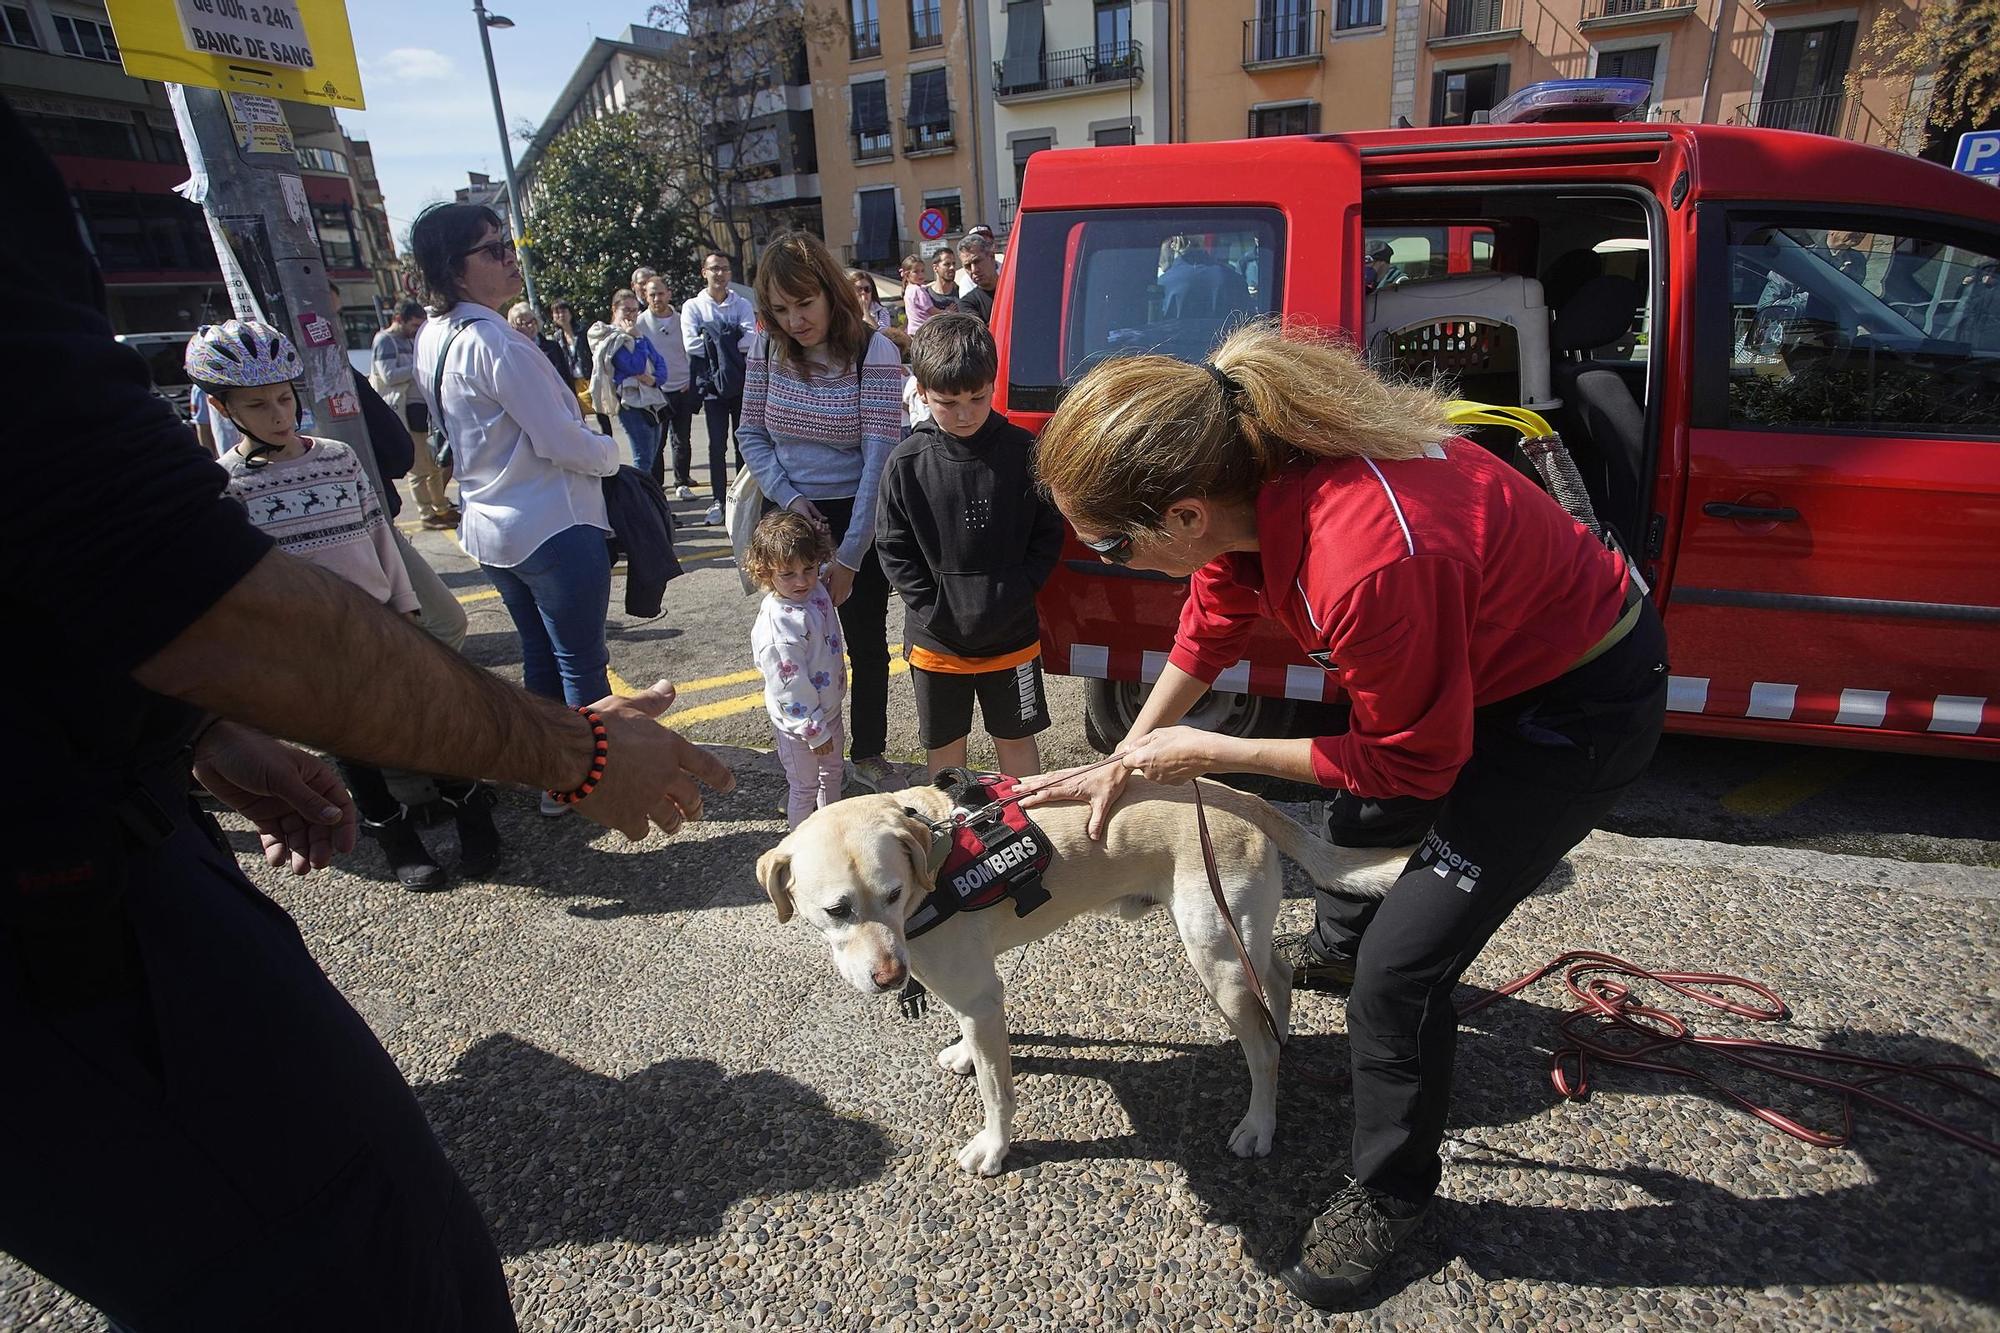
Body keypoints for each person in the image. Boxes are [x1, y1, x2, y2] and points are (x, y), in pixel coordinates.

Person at [0, 102, 732, 1329]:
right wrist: (574, 746)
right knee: (370, 1263)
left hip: (102, 809)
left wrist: (187, 731)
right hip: (58, 907)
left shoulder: (434, 355)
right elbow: (159, 570)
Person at [1021, 321, 1668, 1310]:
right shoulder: (1254, 477)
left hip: (1574, 709)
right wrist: (1126, 758)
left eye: (1109, 543)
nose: (1103, 559)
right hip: (1494, 668)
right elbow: (1214, 612)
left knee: (1399, 974)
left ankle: (1392, 1199)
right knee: (1358, 831)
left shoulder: (1366, 558)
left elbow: (1411, 762)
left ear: (1184, 511)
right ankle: (1346, 944)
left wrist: (1202, 754)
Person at [188, 319, 501, 891]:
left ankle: (472, 810)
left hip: (383, 624)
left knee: (429, 723)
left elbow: (380, 534)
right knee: (354, 745)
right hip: (308, 645)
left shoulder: (337, 456)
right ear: (222, 407)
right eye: (257, 406)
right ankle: (393, 835)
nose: (278, 416)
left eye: (284, 399)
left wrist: (406, 609)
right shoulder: (226, 484)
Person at [410, 203, 625, 818]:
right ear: (453, 269)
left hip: (492, 527)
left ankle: (553, 778)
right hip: (550, 526)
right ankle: (595, 783)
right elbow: (560, 442)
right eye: (491, 250)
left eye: (505, 245)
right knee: (582, 665)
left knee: (542, 655)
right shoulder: (495, 341)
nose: (509, 258)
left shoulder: (436, 335)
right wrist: (613, 454)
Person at [737, 230, 905, 794]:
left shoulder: (872, 351)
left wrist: (851, 556)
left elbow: (879, 458)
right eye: (780, 309)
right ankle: (804, 742)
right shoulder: (764, 347)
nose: (795, 320)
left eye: (805, 303)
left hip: (858, 503)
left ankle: (870, 747)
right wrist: (789, 498)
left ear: (833, 293)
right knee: (793, 641)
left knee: (863, 639)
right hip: (786, 512)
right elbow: (751, 434)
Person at [875, 314, 1062, 779]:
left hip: (1012, 637)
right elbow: (892, 547)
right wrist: (933, 607)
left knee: (1018, 744)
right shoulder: (907, 462)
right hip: (937, 642)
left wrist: (1019, 588)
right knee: (945, 755)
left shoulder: (1025, 451)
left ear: (991, 383)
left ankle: (1029, 834)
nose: (965, 413)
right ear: (920, 391)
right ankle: (952, 841)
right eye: (948, 402)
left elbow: (1049, 529)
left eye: (977, 398)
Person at [747, 509, 847, 827]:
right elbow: (788, 686)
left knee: (832, 775)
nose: (801, 581)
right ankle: (800, 847)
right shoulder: (780, 626)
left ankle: (830, 835)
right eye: (788, 574)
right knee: (805, 787)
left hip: (827, 709)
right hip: (801, 726)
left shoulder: (814, 590)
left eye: (809, 568)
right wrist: (813, 730)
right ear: (765, 572)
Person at [371, 299, 456, 529]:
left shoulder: (410, 339)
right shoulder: (385, 341)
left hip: (421, 412)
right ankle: (427, 514)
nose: (417, 330)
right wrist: (418, 366)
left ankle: (441, 507)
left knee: (434, 465)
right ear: (399, 319)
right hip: (404, 413)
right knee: (419, 468)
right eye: (414, 325)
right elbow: (388, 375)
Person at [683, 249, 756, 481]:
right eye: (715, 268)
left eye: (725, 268)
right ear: (704, 272)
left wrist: (713, 337)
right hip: (711, 386)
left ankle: (741, 496)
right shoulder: (693, 306)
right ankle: (718, 499)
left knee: (743, 442)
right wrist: (729, 337)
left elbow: (751, 340)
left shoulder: (742, 304)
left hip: (740, 382)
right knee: (716, 445)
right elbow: (691, 345)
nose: (720, 273)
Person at [592, 288, 671, 487]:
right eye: (626, 310)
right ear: (614, 310)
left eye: (635, 310)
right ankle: (639, 502)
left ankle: (650, 501)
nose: (631, 315)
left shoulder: (638, 335)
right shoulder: (613, 338)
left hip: (652, 400)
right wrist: (636, 339)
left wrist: (653, 379)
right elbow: (633, 365)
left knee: (652, 456)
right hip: (630, 403)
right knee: (642, 458)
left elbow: (661, 365)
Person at [639, 275, 699, 501]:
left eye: (660, 293)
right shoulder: (639, 324)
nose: (657, 298)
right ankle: (657, 488)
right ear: (645, 297)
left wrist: (690, 380)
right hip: (656, 392)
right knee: (658, 442)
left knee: (682, 439)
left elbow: (692, 352)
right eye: (651, 294)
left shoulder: (682, 320)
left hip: (682, 387)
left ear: (669, 293)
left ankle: (682, 482)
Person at [550, 298, 611, 436]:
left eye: (563, 311)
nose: (561, 315)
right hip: (574, 382)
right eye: (556, 313)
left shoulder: (583, 331)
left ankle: (609, 440)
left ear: (570, 313)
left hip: (590, 377)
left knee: (601, 412)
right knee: (579, 415)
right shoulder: (557, 338)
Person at [509, 301, 573, 389]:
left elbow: (566, 378)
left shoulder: (552, 347)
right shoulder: (514, 354)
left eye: (533, 320)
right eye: (525, 323)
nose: (531, 325)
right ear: (515, 327)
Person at [956, 234, 998, 324]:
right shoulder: (967, 303)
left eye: (977, 261)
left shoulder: (1016, 290)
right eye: (967, 266)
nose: (974, 270)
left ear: (991, 257)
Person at [898, 253, 940, 334]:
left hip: (912, 331)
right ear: (907, 274)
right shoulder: (918, 291)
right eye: (916, 272)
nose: (920, 274)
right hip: (924, 331)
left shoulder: (908, 290)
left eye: (922, 271)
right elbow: (931, 311)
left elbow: (925, 286)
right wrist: (946, 312)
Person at [928, 243, 965, 315]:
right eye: (947, 264)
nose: (952, 267)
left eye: (953, 264)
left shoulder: (961, 293)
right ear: (935, 268)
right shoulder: (926, 296)